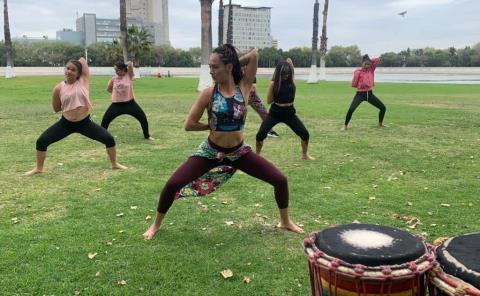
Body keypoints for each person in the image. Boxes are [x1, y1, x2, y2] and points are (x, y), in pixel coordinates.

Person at [143, 44, 304, 240]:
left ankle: (285, 221)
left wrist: (234, 63)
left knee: (280, 180)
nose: (211, 71)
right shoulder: (209, 93)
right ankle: (156, 224)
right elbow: (189, 124)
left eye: (215, 67)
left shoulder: (244, 88)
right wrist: (211, 126)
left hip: (239, 153)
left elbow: (254, 55)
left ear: (228, 67)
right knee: (172, 184)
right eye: (210, 67)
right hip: (211, 152)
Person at [25, 58, 127, 175]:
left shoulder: (83, 81)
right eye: (67, 68)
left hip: (84, 123)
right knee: (42, 141)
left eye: (73, 70)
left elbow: (83, 60)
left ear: (79, 73)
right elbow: (56, 108)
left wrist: (76, 63)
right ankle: (38, 168)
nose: (69, 71)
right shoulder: (58, 88)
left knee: (108, 139)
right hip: (66, 123)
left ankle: (114, 164)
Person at [255, 58, 314, 160]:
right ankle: (257, 156)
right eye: (283, 74)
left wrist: (291, 65)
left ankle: (304, 155)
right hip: (275, 113)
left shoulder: (291, 81)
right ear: (279, 73)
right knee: (260, 135)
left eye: (287, 74)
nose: (285, 76)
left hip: (289, 113)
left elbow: (292, 73)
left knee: (305, 134)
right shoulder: (273, 83)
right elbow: (269, 101)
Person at [101, 61, 153, 140]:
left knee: (142, 118)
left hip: (130, 104)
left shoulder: (129, 75)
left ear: (123, 69)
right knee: (105, 120)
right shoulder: (113, 79)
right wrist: (116, 94)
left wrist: (123, 65)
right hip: (116, 105)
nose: (116, 72)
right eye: (115, 70)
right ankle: (101, 137)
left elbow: (130, 64)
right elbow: (108, 89)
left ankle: (147, 136)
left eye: (117, 70)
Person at [342, 54, 386, 131]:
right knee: (351, 109)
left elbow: (377, 60)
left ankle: (380, 124)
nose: (367, 65)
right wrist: (361, 85)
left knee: (383, 107)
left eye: (369, 64)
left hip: (370, 94)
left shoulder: (371, 69)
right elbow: (354, 84)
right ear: (362, 63)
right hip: (360, 95)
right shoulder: (358, 72)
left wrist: (369, 60)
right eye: (365, 64)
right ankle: (345, 126)